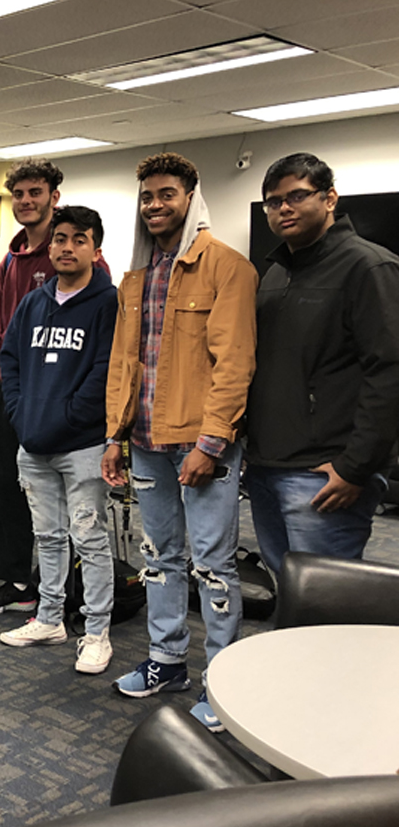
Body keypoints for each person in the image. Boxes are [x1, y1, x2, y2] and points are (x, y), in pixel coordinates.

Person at [103, 152, 257, 732]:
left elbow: (234, 363)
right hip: (144, 440)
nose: (155, 206)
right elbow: (125, 362)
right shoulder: (137, 276)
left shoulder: (227, 267)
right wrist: (113, 435)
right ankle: (167, 661)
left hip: (200, 443)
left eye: (166, 194)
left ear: (191, 198)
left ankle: (224, 682)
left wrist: (212, 442)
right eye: (147, 197)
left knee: (214, 565)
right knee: (158, 558)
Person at [245, 153, 399, 575]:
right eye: (273, 202)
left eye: (297, 195)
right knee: (291, 591)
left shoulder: (369, 266)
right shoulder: (274, 274)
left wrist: (356, 467)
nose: (284, 209)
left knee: (330, 603)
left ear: (330, 198)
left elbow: (389, 374)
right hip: (267, 466)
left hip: (325, 474)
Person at [0, 159, 110, 616]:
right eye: (18, 194)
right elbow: (4, 332)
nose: (26, 201)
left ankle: (67, 594)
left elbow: (98, 343)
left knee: (75, 516)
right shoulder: (11, 258)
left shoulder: (79, 260)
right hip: (16, 397)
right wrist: (4, 389)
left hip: (69, 409)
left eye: (35, 193)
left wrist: (73, 409)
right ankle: (18, 581)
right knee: (10, 491)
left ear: (54, 197)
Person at [0, 205, 118, 674]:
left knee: (89, 539)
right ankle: (48, 618)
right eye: (60, 239)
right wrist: (20, 412)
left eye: (78, 239)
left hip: (83, 444)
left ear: (95, 248)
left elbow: (105, 371)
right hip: (33, 442)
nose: (67, 247)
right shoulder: (35, 301)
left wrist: (69, 416)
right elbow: (10, 359)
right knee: (47, 537)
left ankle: (97, 632)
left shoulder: (108, 302)